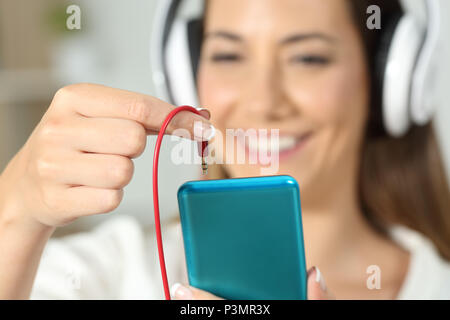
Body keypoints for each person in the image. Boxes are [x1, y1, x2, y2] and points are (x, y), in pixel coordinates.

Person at [0, 0, 449, 300]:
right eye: (229, 56)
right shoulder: (112, 269)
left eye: (308, 58)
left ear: (387, 80)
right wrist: (15, 213)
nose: (262, 101)